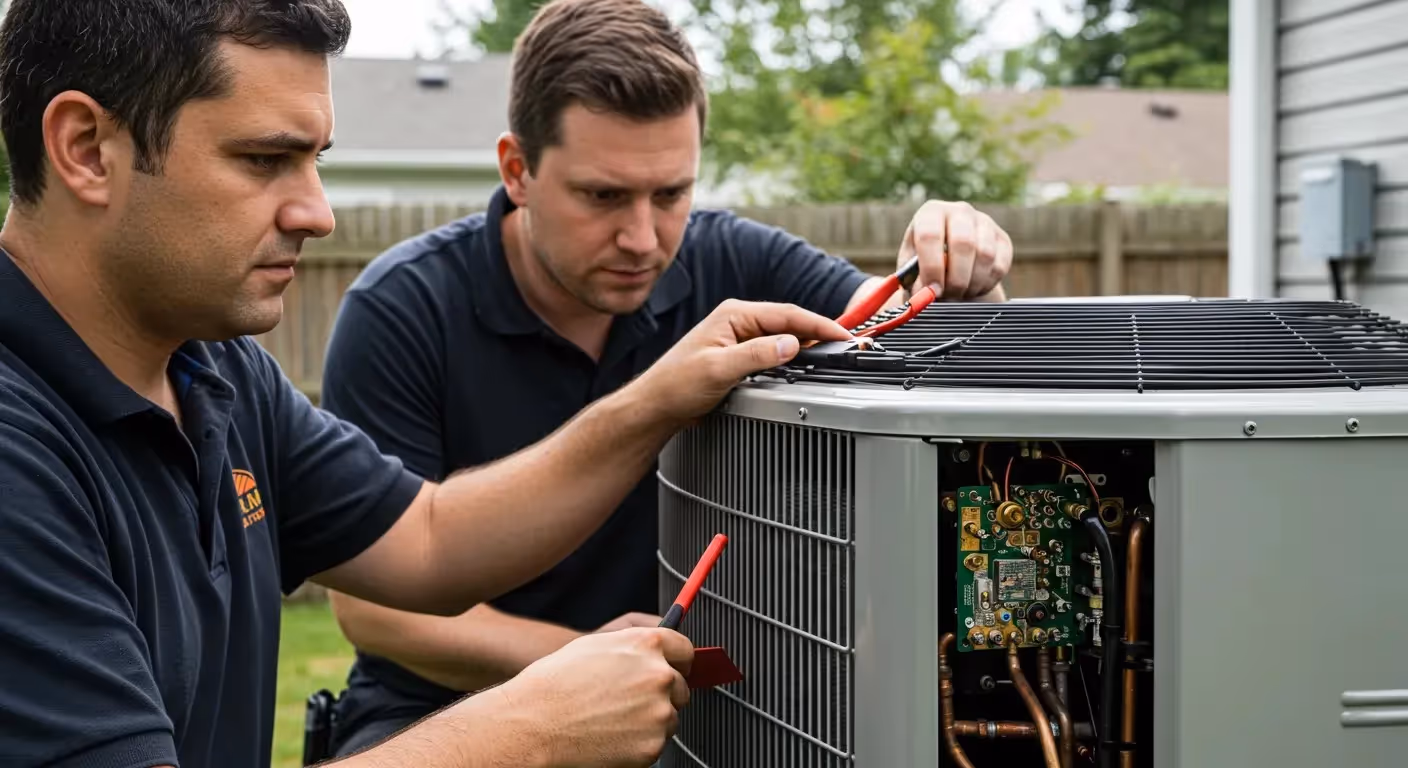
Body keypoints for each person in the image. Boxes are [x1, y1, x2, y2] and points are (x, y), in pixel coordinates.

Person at [0, 2, 858, 767]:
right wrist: (530, 728)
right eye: (265, 159)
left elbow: (431, 539)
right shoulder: (18, 449)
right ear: (86, 149)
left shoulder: (216, 370)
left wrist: (655, 399)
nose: (317, 212)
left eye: (315, 161)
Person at [318, 0, 1016, 756]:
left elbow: (915, 340)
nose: (643, 238)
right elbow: (378, 613)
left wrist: (962, 274)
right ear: (517, 170)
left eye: (672, 194)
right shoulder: (402, 310)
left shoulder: (742, 265)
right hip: (444, 719)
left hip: (690, 708)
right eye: (603, 196)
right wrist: (580, 672)